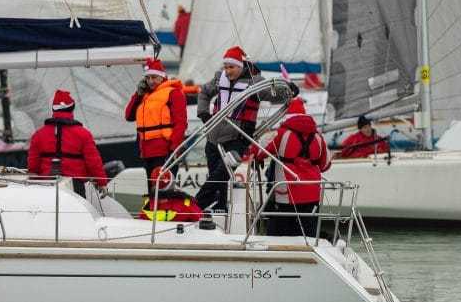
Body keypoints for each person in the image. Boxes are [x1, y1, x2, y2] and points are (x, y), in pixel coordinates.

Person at [195, 46, 292, 213]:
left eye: (231, 67)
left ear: (241, 66)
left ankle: (197, 203)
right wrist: (204, 113)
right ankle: (220, 207)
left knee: (222, 173)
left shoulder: (255, 82)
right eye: (226, 67)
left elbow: (274, 95)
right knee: (216, 175)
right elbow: (204, 93)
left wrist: (288, 90)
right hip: (213, 136)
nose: (227, 71)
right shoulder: (219, 78)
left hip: (238, 138)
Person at [252, 98, 330, 237]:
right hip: (312, 192)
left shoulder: (281, 133)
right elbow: (325, 164)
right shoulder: (318, 136)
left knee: (279, 233)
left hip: (286, 194)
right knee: (309, 233)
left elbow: (259, 152)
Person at [124, 58, 188, 196]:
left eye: (154, 77)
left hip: (165, 151)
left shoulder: (173, 93)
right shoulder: (144, 95)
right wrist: (137, 94)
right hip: (147, 151)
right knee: (152, 192)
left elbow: (181, 123)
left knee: (164, 191)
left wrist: (174, 149)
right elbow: (129, 115)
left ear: (162, 77)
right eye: (147, 78)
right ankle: (154, 209)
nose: (150, 81)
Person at [27, 89, 108, 196]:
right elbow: (93, 162)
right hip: (75, 186)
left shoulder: (38, 135)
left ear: (53, 109)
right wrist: (102, 182)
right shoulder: (84, 134)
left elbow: (33, 165)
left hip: (46, 185)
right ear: (71, 109)